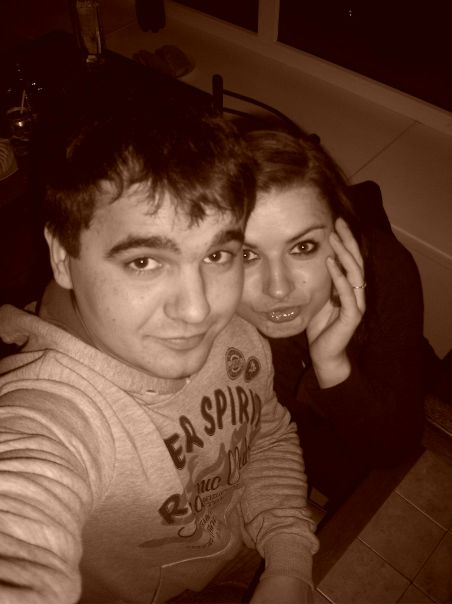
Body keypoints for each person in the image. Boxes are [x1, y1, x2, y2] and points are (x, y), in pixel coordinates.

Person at [0, 80, 318, 604]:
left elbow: (265, 436)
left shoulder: (237, 338)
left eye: (217, 256)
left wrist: (288, 563)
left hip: (250, 557)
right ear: (62, 257)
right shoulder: (50, 412)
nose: (198, 310)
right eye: (144, 261)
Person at [236, 125, 437, 512]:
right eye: (246, 255)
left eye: (303, 246)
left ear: (340, 233)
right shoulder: (203, 308)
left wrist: (333, 366)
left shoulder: (386, 270)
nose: (278, 288)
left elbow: (394, 448)